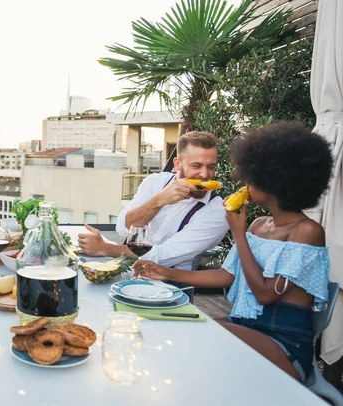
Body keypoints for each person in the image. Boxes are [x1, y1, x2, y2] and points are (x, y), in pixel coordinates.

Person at [134, 121, 333, 382]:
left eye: (254, 175)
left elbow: (264, 294)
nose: (245, 180)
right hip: (247, 326)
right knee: (180, 324)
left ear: (276, 181)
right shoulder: (259, 225)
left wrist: (238, 234)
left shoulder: (307, 231)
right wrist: (163, 271)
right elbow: (226, 276)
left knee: (203, 337)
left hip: (284, 343)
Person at [79, 131, 229, 272]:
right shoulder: (155, 182)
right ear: (177, 164)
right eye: (196, 166)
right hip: (129, 270)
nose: (204, 174)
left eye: (211, 167)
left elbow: (162, 256)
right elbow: (123, 227)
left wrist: (104, 248)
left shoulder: (217, 212)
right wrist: (159, 200)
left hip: (171, 286)